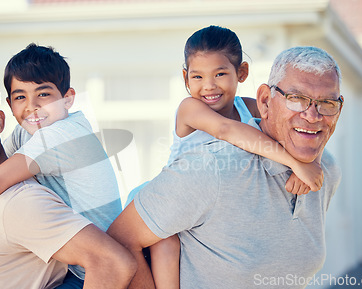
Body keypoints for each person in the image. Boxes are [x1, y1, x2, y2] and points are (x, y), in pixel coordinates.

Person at [108, 46, 344, 289]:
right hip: (165, 198)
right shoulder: (207, 155)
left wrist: (308, 160)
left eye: (326, 103)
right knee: (165, 245)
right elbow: (226, 130)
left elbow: (302, 128)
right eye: (296, 99)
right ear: (265, 100)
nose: (313, 115)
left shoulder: (326, 169)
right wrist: (296, 162)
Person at [0, 44, 124, 288]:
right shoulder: (27, 133)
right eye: (21, 97)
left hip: (91, 267)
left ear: (68, 98)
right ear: (10, 105)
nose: (31, 106)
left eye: (43, 94)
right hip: (79, 261)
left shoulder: (62, 135)